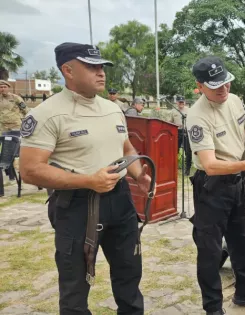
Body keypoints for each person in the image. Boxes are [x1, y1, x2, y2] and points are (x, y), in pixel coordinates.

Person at [18, 42, 151, 314]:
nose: (100, 72)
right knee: (75, 285)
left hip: (119, 200)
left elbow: (124, 147)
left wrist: (138, 175)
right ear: (68, 70)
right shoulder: (46, 114)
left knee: (129, 273)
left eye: (101, 66)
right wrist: (87, 181)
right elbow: (30, 170)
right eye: (91, 67)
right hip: (77, 204)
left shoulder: (112, 109)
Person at [185, 56, 245, 315]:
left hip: (237, 182)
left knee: (242, 240)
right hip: (211, 187)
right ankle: (213, 308)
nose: (224, 90)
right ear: (199, 86)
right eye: (216, 86)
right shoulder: (197, 117)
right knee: (210, 251)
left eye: (227, 83)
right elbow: (210, 164)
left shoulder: (234, 101)